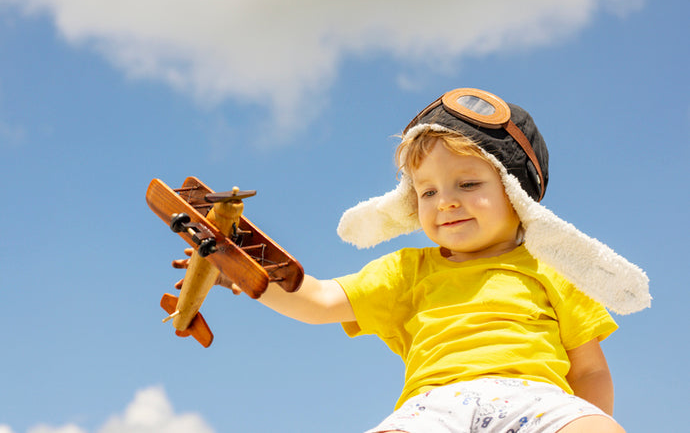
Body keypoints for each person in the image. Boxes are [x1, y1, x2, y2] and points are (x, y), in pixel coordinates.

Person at [175, 88, 651, 432]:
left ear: (517, 195)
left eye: (467, 184)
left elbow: (589, 370)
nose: (444, 202)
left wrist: (592, 419)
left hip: (536, 402)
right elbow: (316, 300)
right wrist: (236, 262)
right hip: (432, 408)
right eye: (426, 191)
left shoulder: (550, 268)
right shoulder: (407, 270)